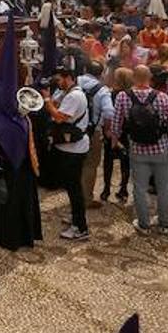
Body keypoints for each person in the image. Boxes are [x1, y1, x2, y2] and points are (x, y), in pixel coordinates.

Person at [0, 18, 42, 251]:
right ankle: (26, 235)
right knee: (24, 203)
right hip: (24, 172)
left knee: (7, 206)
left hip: (7, 173)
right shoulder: (23, 120)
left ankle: (7, 238)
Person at [107, 65, 168, 234]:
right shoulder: (161, 97)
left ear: (133, 78)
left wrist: (115, 142)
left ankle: (144, 224)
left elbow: (116, 125)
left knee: (139, 188)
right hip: (160, 148)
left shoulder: (123, 97)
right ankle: (164, 224)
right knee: (164, 188)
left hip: (137, 148)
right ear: (150, 79)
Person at [42, 66, 90, 240]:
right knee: (71, 188)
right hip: (68, 148)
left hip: (74, 150)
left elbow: (59, 117)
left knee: (74, 189)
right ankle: (75, 218)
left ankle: (80, 228)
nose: (57, 83)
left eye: (59, 79)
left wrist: (47, 100)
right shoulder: (68, 93)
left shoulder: (74, 96)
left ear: (69, 77)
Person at [77, 62, 109, 210]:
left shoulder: (74, 82)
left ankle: (74, 195)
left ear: (85, 69)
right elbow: (110, 112)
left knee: (74, 164)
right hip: (93, 131)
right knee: (90, 165)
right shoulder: (102, 90)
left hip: (73, 129)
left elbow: (57, 99)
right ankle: (86, 198)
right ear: (101, 73)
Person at [99, 67, 133, 204]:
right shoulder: (131, 95)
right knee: (126, 162)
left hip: (111, 130)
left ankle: (106, 189)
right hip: (127, 131)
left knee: (108, 161)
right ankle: (123, 189)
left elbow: (106, 113)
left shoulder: (111, 94)